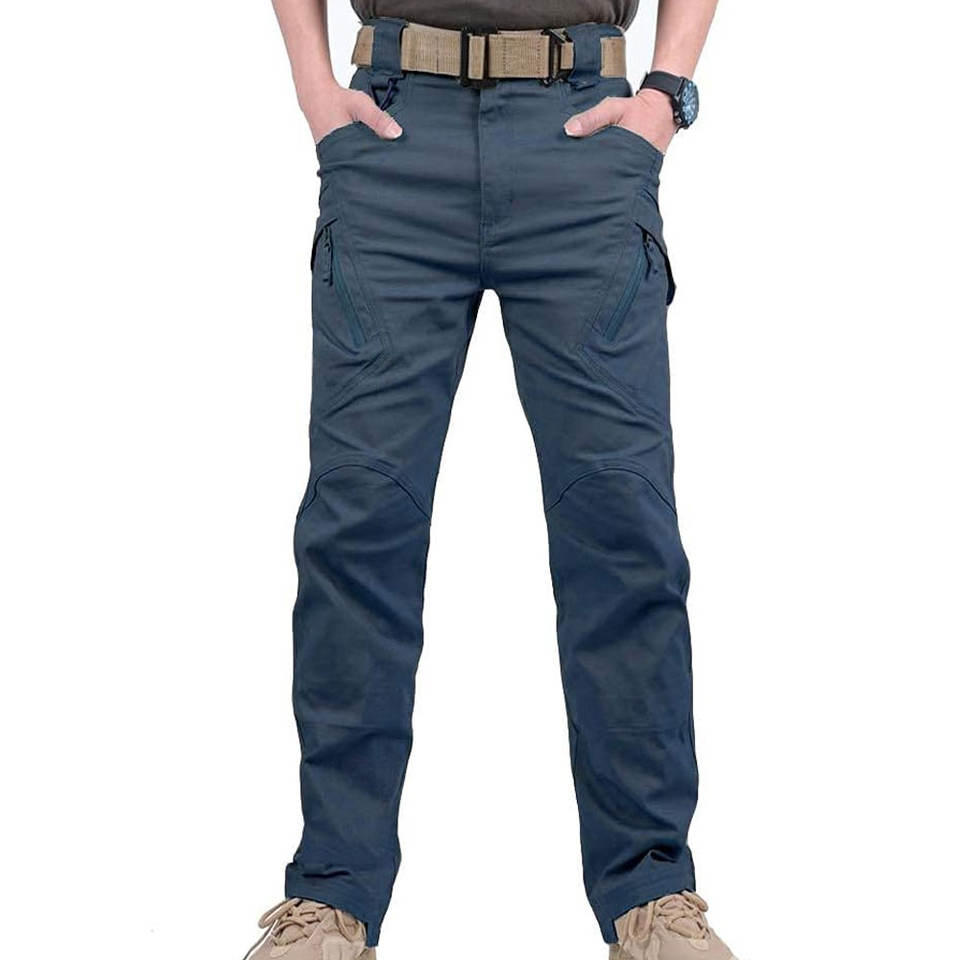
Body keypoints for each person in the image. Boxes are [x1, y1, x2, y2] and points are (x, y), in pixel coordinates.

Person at [245, 1, 737, 958]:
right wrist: (312, 84)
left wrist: (666, 92)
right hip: (393, 133)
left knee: (623, 528)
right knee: (357, 524)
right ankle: (333, 897)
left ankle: (653, 896)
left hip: (584, 134)